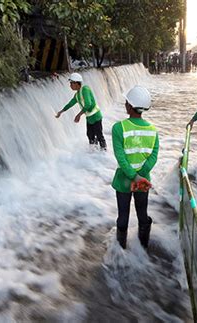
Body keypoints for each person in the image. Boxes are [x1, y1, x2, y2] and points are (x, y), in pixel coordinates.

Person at [111, 86, 159, 249]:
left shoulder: (119, 128)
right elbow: (153, 156)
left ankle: (120, 251)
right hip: (143, 181)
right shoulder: (153, 130)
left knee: (123, 217)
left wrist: (133, 176)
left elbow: (121, 157)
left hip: (124, 180)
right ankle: (143, 247)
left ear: (129, 106)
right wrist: (141, 176)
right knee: (142, 214)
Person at [55, 73, 106, 149]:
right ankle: (95, 152)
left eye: (71, 83)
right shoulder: (77, 95)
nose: (70, 86)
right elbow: (70, 103)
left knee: (99, 135)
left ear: (76, 83)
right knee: (90, 135)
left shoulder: (85, 89)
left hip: (96, 116)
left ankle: (103, 151)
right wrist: (61, 111)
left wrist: (78, 115)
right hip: (89, 118)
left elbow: (88, 104)